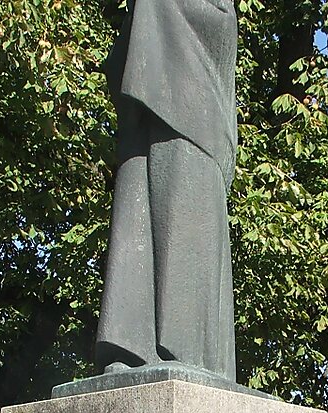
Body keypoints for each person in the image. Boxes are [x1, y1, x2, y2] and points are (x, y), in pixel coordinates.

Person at [94, 0, 239, 382]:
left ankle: (185, 349)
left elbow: (216, 25)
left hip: (192, 120)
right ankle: (132, 345)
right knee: (135, 225)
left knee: (184, 222)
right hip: (147, 117)